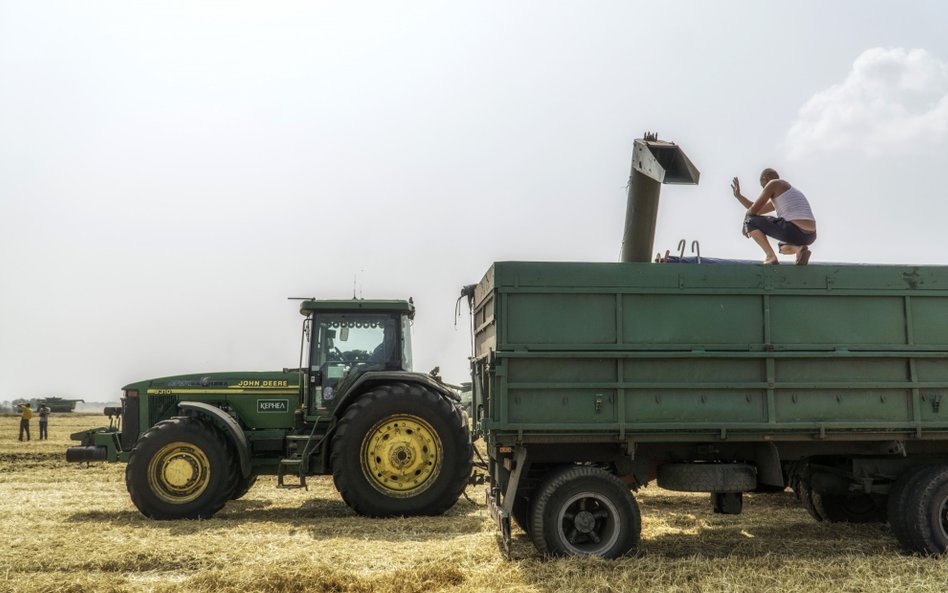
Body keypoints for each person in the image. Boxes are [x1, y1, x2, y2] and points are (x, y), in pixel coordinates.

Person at [731, 168, 817, 265]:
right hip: (810, 236)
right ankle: (799, 250)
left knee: (750, 221)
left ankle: (770, 256)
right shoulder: (785, 193)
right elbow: (757, 209)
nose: (764, 189)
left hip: (793, 229)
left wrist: (745, 224)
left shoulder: (773, 184)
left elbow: (752, 212)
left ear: (765, 179)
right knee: (782, 247)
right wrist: (739, 196)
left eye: (763, 186)